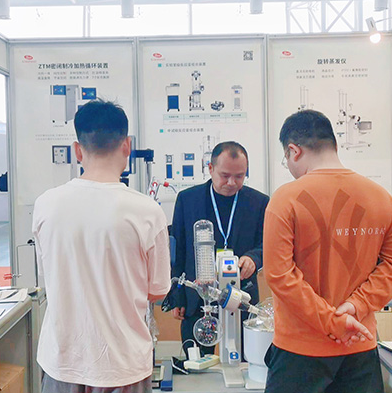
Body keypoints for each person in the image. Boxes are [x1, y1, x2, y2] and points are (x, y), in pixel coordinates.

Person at [263, 109, 392, 393]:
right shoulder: (381, 197)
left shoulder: (285, 199)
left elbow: (280, 275)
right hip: (359, 346)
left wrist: (332, 322)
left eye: (287, 159)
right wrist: (357, 306)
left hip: (300, 352)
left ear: (294, 151)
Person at [32, 99, 171, 393]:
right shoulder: (147, 211)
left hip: (63, 363)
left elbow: (51, 275)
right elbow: (157, 290)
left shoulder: (46, 205)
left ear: (77, 150)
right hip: (124, 366)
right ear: (127, 146)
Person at [170, 141, 269, 355]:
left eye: (239, 176)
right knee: (196, 361)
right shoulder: (188, 200)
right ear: (210, 168)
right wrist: (177, 295)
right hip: (197, 296)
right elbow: (178, 250)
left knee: (244, 359)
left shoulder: (259, 202)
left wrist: (254, 258)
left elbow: (267, 244)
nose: (232, 183)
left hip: (242, 296)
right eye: (225, 175)